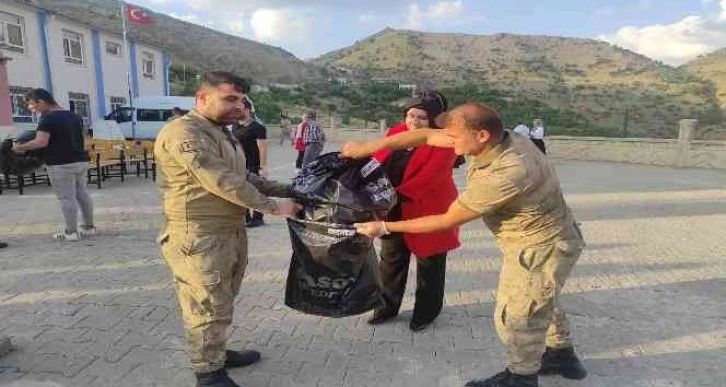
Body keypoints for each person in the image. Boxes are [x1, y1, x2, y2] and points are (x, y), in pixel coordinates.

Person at [342, 103, 587, 387]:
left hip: (539, 247)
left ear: (481, 136)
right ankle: (562, 355)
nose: (448, 142)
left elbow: (447, 219)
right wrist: (367, 147)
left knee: (517, 314)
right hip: (541, 240)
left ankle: (521, 376)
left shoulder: (509, 171)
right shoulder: (495, 137)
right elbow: (424, 137)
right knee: (543, 298)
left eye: (455, 137)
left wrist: (383, 227)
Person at [154, 71, 301, 387]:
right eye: (229, 98)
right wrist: (274, 208)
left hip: (228, 232)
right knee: (205, 304)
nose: (239, 105)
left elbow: (245, 176)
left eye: (242, 100)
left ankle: (216, 351)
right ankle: (208, 373)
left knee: (221, 298)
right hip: (200, 235)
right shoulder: (185, 132)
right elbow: (220, 179)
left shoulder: (220, 132)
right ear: (202, 98)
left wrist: (290, 191)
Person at [367, 90, 460, 332]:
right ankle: (385, 307)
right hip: (393, 209)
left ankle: (426, 313)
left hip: (429, 210)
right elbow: (376, 160)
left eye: (422, 118)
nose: (414, 122)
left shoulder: (444, 140)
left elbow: (430, 177)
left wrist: (393, 195)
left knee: (430, 264)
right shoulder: (396, 133)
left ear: (434, 120)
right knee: (390, 261)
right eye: (410, 115)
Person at [13, 88, 95, 241]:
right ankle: (89, 227)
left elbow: (40, 142)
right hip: (80, 161)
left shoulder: (48, 119)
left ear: (41, 102)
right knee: (82, 193)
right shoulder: (74, 116)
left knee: (66, 198)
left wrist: (19, 147)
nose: (32, 109)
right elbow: (83, 139)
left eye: (32, 105)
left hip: (60, 164)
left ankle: (71, 232)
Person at [231, 97, 268, 228]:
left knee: (256, 191)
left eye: (239, 109)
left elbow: (262, 148)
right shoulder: (235, 126)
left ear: (247, 110)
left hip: (254, 164)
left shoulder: (258, 128)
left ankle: (258, 218)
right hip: (239, 164)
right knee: (240, 191)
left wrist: (263, 167)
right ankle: (245, 216)